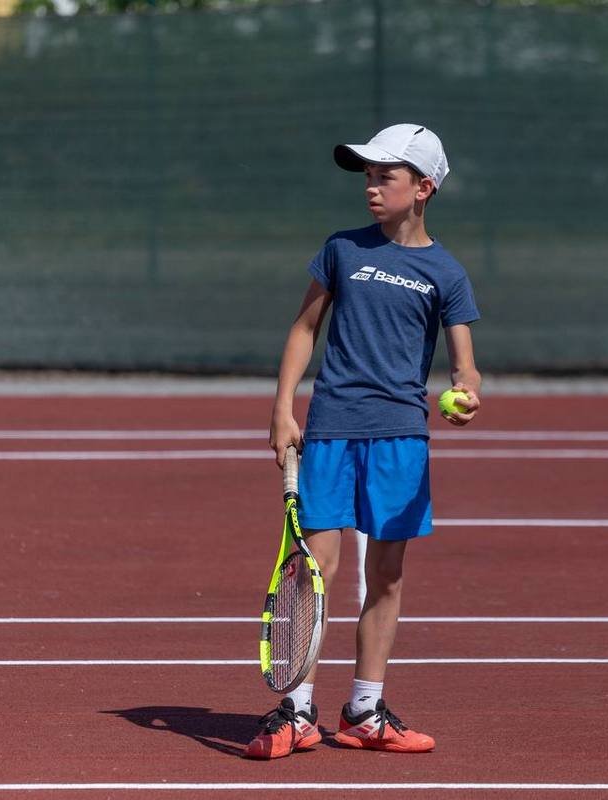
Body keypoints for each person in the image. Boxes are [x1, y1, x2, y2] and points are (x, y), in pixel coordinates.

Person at [244, 124, 482, 760]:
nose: (372, 187)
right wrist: (281, 408)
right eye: (368, 176)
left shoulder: (446, 272)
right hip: (330, 430)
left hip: (401, 436)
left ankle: (364, 710)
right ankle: (296, 711)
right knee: (313, 572)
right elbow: (304, 329)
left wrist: (466, 392)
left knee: (389, 574)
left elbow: (465, 364)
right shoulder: (342, 250)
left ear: (423, 188)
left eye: (386, 176)